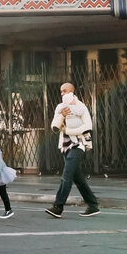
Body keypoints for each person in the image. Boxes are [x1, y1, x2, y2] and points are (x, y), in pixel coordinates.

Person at [45, 82, 101, 219]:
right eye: (61, 91)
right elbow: (54, 127)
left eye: (65, 91)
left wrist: (68, 130)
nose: (62, 93)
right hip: (65, 146)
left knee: (67, 175)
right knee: (78, 178)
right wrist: (61, 116)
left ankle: (58, 206)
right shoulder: (60, 107)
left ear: (72, 91)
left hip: (78, 145)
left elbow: (88, 126)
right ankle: (93, 205)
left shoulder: (81, 107)